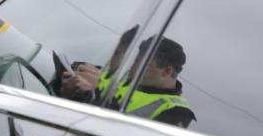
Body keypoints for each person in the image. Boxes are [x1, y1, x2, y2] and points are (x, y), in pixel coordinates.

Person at [60, 29, 196, 129]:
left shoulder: (176, 112)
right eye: (135, 60)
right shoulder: (124, 78)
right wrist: (74, 77)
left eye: (140, 62)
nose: (132, 66)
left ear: (166, 71)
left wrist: (102, 96)